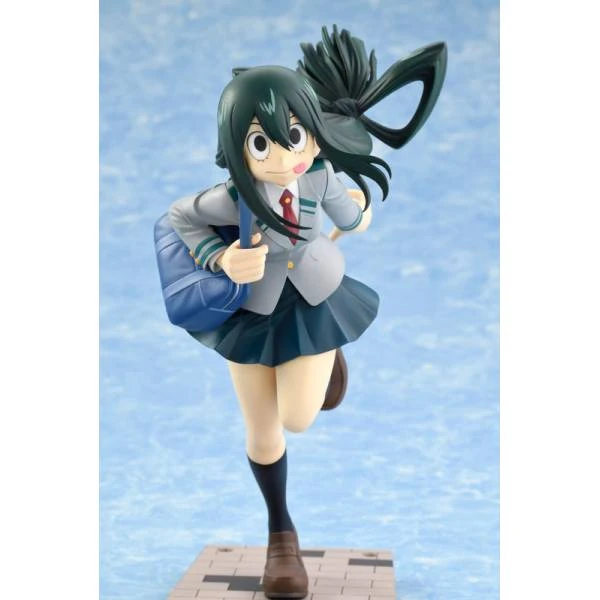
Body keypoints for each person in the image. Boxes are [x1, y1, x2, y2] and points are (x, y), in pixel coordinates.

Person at [168, 26, 447, 599]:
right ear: (237, 148)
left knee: (297, 417)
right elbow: (181, 218)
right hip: (251, 312)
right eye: (261, 144)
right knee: (262, 431)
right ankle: (281, 536)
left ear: (314, 138)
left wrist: (362, 213)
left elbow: (351, 218)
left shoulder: (320, 177)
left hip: (317, 301)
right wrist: (219, 257)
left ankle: (327, 355)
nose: (283, 157)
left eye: (293, 137)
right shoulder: (233, 197)